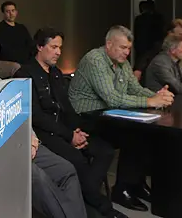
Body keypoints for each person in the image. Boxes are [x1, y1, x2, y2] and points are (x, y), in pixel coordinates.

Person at [0, 35, 87, 218]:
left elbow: (21, 115)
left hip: (22, 142)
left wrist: (31, 138)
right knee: (39, 179)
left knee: (66, 170)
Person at [15, 28, 127, 218]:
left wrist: (76, 130)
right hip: (44, 133)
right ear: (40, 47)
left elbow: (66, 107)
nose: (58, 52)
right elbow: (36, 116)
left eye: (60, 47)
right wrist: (69, 136)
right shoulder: (24, 74)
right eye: (54, 47)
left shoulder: (56, 73)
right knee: (77, 160)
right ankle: (102, 208)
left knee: (105, 151)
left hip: (64, 129)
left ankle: (87, 199)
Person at [68, 25, 174, 212]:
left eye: (128, 49)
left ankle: (136, 184)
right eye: (123, 47)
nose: (127, 52)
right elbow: (112, 98)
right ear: (109, 44)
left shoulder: (122, 63)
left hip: (107, 115)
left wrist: (158, 96)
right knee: (133, 136)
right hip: (84, 117)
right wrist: (150, 101)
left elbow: (135, 89)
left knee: (145, 133)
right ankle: (122, 189)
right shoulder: (95, 60)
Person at [0, 1, 34, 65]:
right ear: (3, 13)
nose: (11, 14)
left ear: (16, 12)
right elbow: (2, 51)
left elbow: (30, 45)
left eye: (13, 10)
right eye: (7, 11)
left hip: (25, 63)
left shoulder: (22, 28)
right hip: (9, 64)